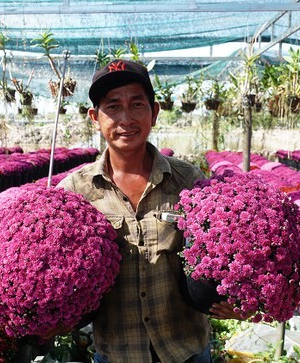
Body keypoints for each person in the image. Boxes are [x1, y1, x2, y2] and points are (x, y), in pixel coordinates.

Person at [56, 59, 243, 363]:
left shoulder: (189, 181)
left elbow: (227, 251)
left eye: (137, 105)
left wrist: (238, 297)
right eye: (112, 107)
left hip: (186, 351)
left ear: (154, 112)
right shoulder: (74, 192)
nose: (125, 118)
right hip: (118, 353)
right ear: (95, 117)